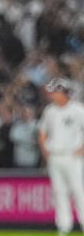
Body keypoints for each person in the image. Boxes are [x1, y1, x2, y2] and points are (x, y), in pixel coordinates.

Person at [39, 77, 84, 236]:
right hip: (55, 156)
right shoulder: (50, 110)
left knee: (79, 191)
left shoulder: (77, 109)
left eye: (55, 91)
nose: (52, 95)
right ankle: (64, 226)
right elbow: (42, 131)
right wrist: (44, 149)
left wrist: (82, 148)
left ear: (63, 92)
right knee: (59, 192)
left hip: (72, 156)